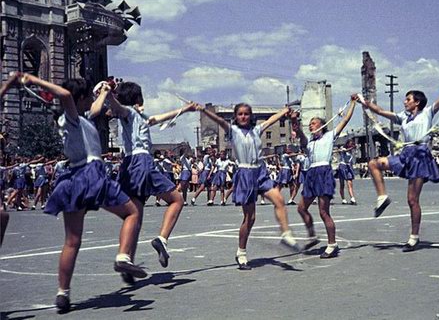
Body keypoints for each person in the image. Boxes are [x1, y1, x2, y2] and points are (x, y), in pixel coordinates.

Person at [1, 72, 146, 312]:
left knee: (72, 241)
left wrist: (106, 91)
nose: (91, 99)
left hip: (73, 179)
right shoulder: (71, 114)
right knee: (131, 213)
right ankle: (123, 256)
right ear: (78, 99)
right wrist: (31, 79)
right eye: (87, 96)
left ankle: (63, 293)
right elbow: (66, 94)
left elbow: (97, 107)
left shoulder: (81, 119)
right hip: (92, 174)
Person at [360, 72, 439, 252]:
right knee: (373, 164)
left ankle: (414, 237)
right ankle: (382, 197)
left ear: (417, 102)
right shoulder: (402, 117)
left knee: (412, 200)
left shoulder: (428, 113)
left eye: (408, 99)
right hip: (405, 154)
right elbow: (379, 111)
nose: (405, 102)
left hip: (420, 156)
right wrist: (362, 101)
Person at [107, 81, 196, 279]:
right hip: (141, 162)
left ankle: (126, 259)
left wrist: (186, 109)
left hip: (127, 165)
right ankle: (162, 239)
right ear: (138, 99)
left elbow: (161, 117)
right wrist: (108, 93)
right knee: (177, 200)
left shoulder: (138, 116)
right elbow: (116, 107)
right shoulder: (128, 112)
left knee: (134, 217)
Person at [196, 102, 300, 270]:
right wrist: (203, 110)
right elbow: (219, 120)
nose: (243, 116)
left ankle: (286, 234)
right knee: (250, 218)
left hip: (260, 172)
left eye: (246, 114)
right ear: (235, 117)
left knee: (279, 199)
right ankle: (241, 252)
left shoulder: (256, 131)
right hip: (245, 174)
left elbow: (272, 119)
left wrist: (285, 111)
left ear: (251, 116)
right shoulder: (234, 131)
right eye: (240, 114)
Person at [291, 96, 357, 258]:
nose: (310, 125)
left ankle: (332, 244)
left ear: (322, 125)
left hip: (324, 172)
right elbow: (299, 132)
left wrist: (353, 103)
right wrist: (294, 121)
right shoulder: (309, 142)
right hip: (312, 174)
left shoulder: (329, 136)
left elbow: (346, 119)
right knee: (301, 208)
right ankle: (312, 235)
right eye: (310, 124)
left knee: (323, 212)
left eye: (313, 123)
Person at [336, 139, 358, 205]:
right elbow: (345, 150)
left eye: (352, 143)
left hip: (348, 167)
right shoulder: (343, 149)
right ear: (347, 144)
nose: (351, 145)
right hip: (342, 166)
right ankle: (343, 199)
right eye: (350, 143)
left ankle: (352, 198)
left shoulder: (352, 151)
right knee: (342, 184)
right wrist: (352, 147)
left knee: (350, 183)